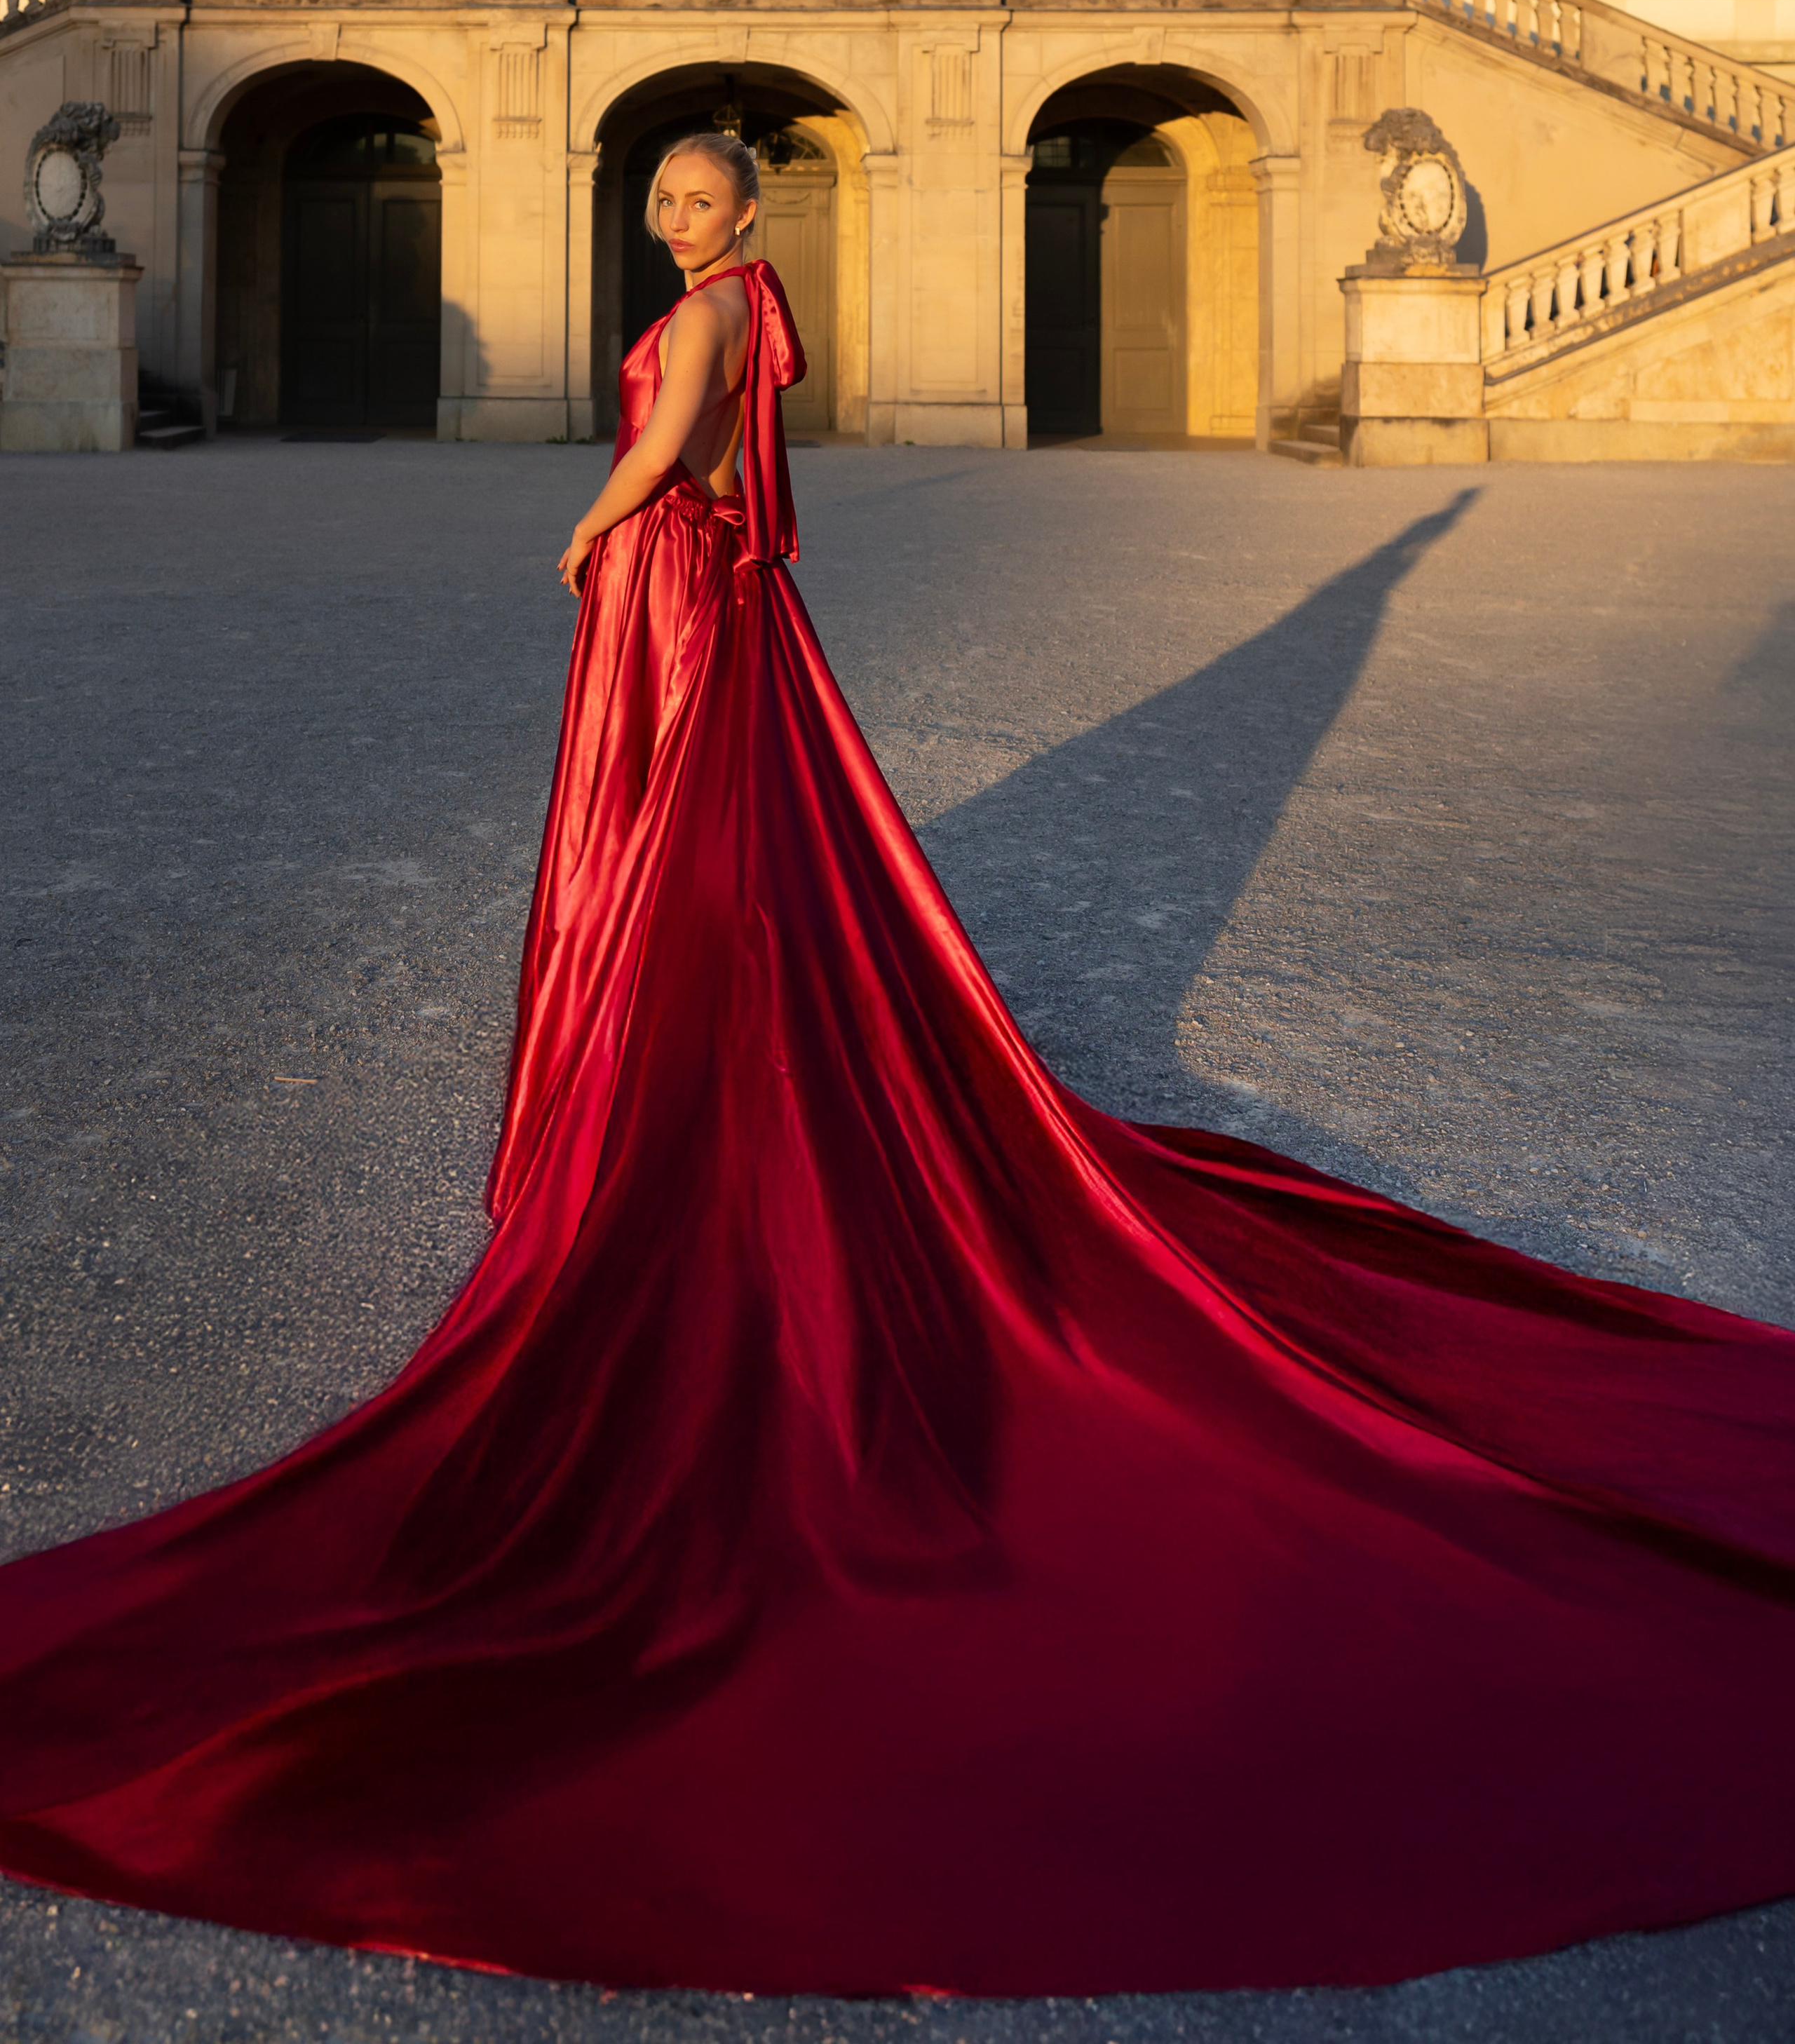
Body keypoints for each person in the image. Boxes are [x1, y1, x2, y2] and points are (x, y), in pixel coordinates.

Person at [0, 127, 1790, 1998]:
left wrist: (586, 529)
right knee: (748, 847)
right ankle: (706, 1035)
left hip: (676, 604)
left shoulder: (708, 314)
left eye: (699, 201)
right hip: (726, 603)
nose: (679, 222)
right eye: (665, 203)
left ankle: (671, 1082)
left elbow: (674, 442)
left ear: (746, 213)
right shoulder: (756, 295)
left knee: (684, 849)